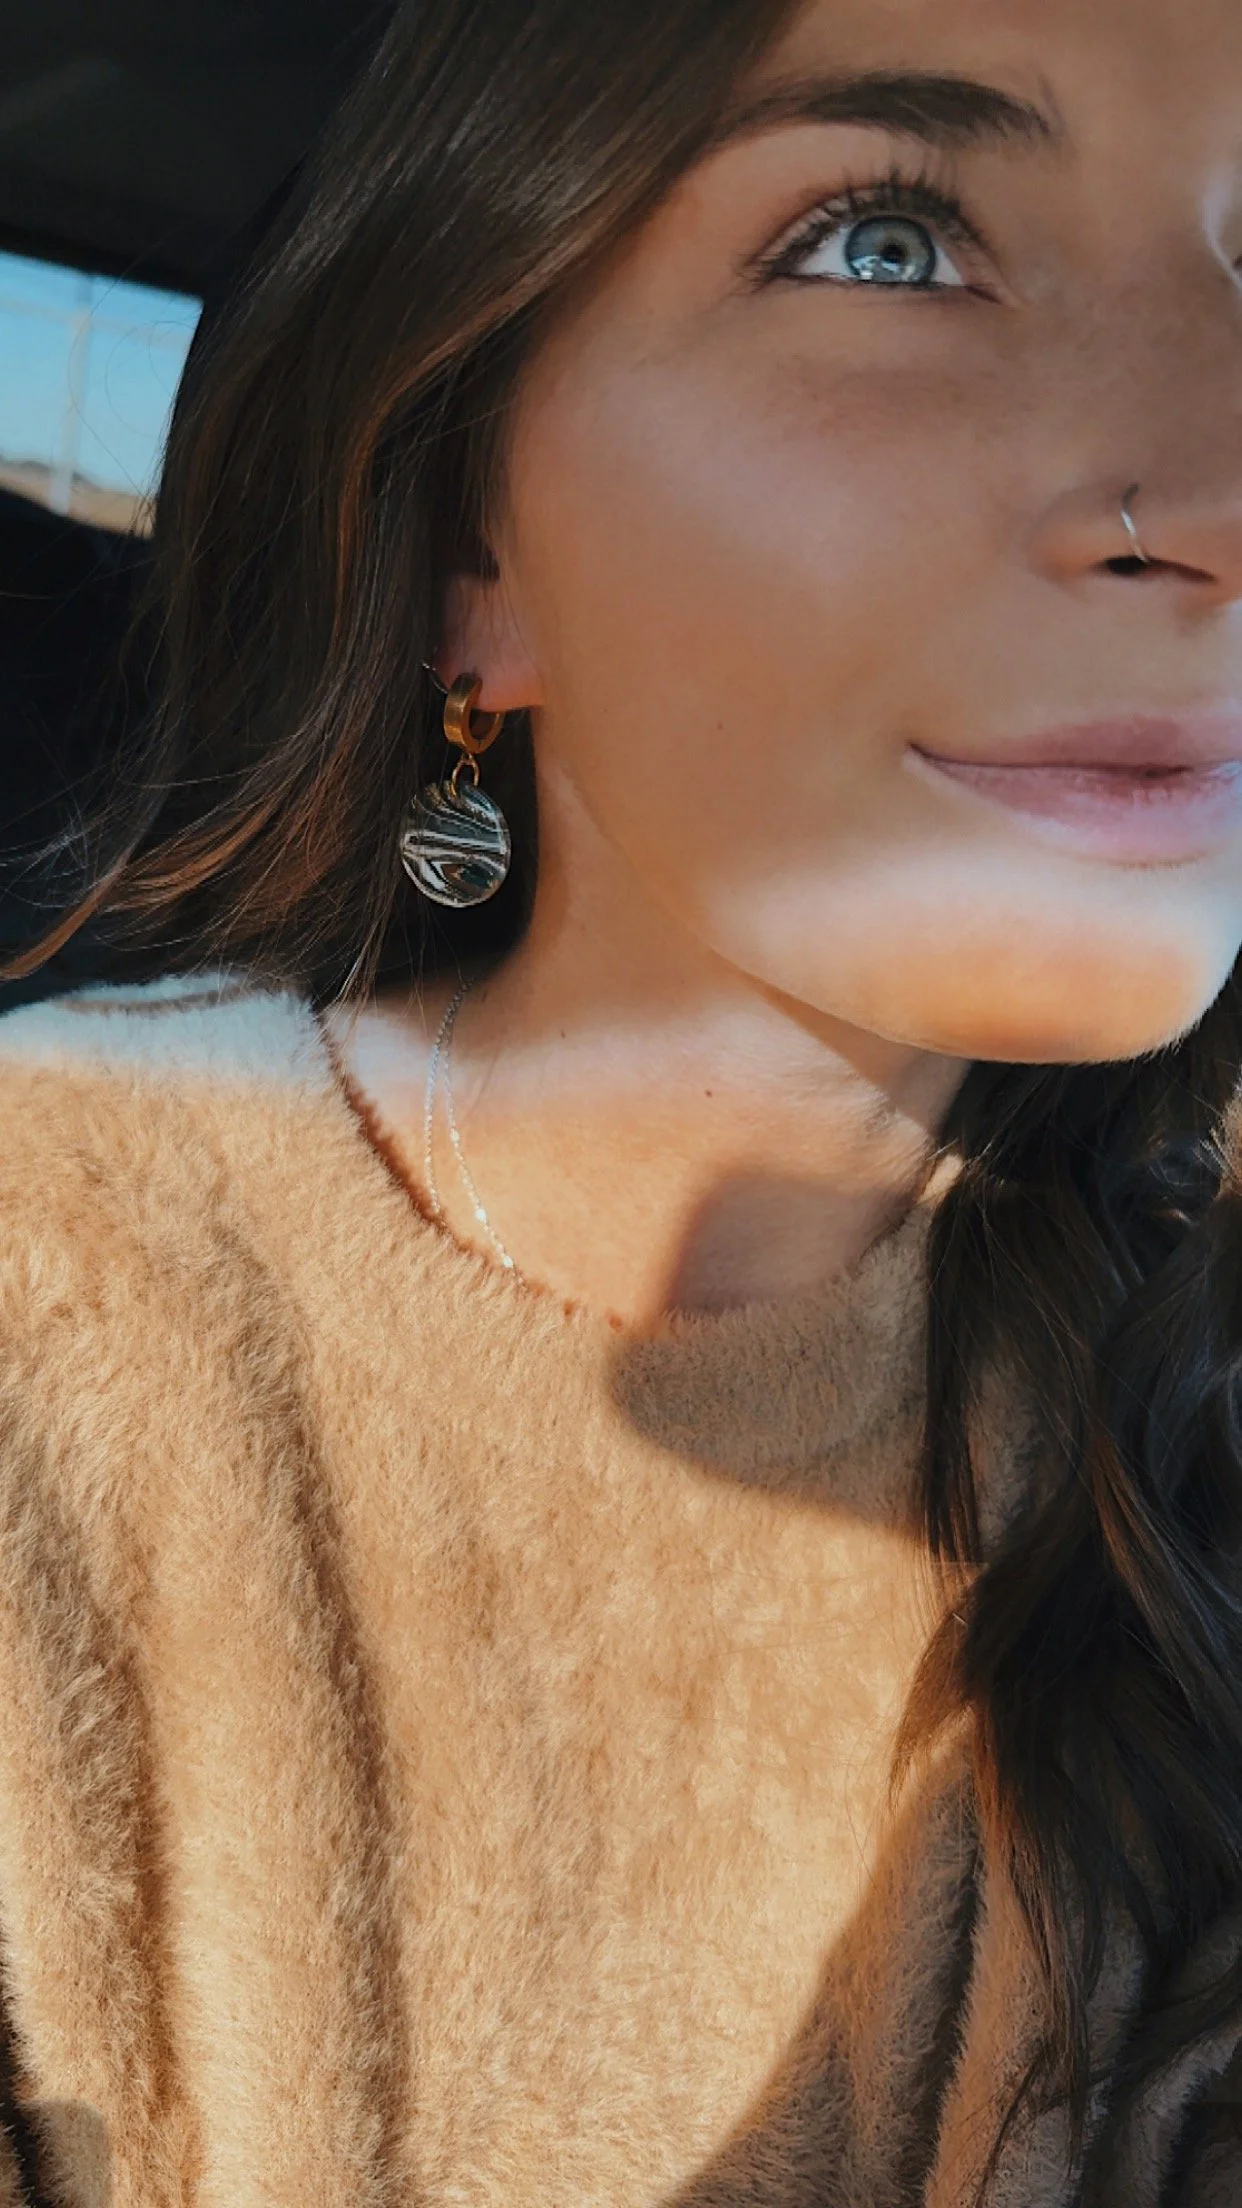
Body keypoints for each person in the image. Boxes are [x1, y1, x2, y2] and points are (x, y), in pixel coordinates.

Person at [0, 0, 1240, 2199]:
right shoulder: (50, 1269)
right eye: (886, 242)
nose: (1215, 486)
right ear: (472, 537)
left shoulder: (1176, 1384)